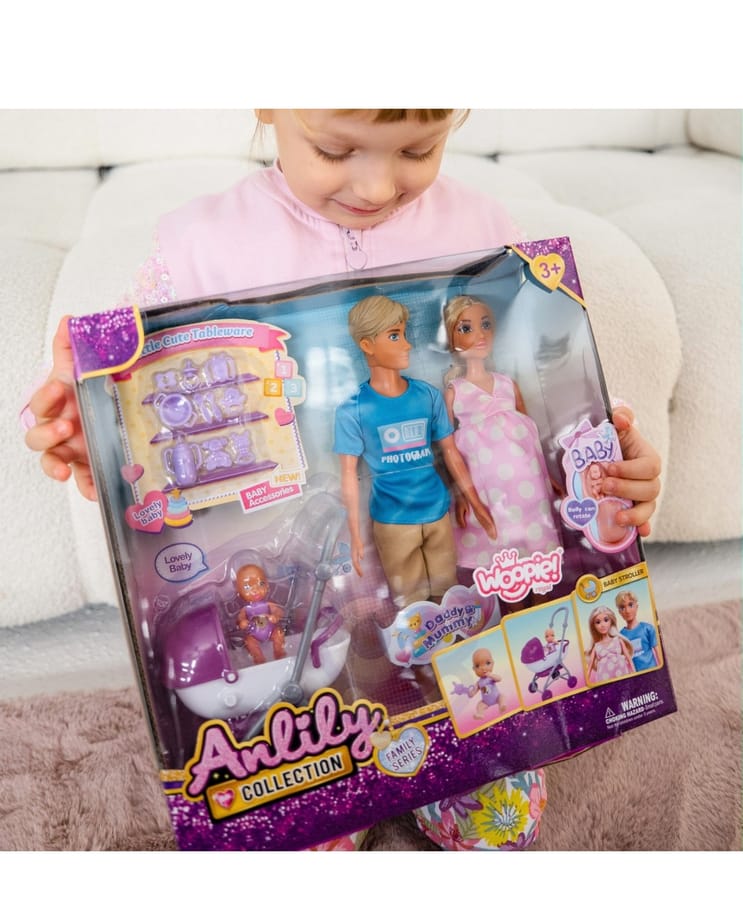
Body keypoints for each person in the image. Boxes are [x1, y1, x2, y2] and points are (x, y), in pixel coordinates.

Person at [22, 109, 662, 852]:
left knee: (499, 820)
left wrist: (605, 466)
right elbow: (149, 422)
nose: (377, 185)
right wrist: (92, 434)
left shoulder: (485, 233)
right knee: (300, 818)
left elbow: (545, 395)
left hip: (454, 577)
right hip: (316, 602)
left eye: (418, 148)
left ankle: (438, 736)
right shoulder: (200, 250)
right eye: (334, 149)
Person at [334, 294, 495, 607]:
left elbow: (450, 452)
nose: (407, 344)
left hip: (437, 511)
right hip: (394, 521)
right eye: (395, 336)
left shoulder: (427, 396)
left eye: (404, 334)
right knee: (411, 604)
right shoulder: (353, 410)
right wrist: (354, 534)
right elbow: (348, 475)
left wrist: (476, 503)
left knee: (449, 594)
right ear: (367, 345)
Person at [442, 296, 562, 571]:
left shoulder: (508, 384)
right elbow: (448, 451)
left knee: (539, 554)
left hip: (530, 487)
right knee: (501, 555)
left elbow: (531, 436)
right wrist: (462, 495)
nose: (480, 334)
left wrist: (548, 476)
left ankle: (542, 589)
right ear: (451, 339)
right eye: (466, 328)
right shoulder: (455, 393)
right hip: (489, 493)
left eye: (485, 325)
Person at [585, 605, 635, 682]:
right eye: (598, 622)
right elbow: (590, 667)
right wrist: (587, 682)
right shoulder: (596, 646)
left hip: (622, 673)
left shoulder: (618, 640)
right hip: (604, 677)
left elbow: (629, 659)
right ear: (594, 626)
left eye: (606, 620)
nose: (602, 625)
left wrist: (635, 674)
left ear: (611, 621)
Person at [615, 590, 660, 671]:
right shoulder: (620, 636)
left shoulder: (647, 628)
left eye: (630, 605)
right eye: (622, 608)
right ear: (619, 612)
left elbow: (659, 653)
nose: (627, 611)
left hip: (652, 670)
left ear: (636, 606)